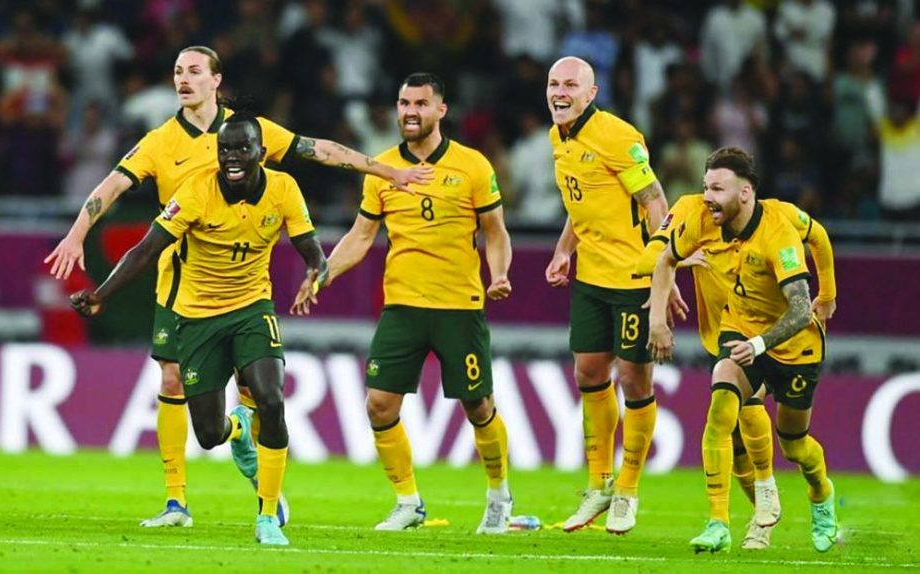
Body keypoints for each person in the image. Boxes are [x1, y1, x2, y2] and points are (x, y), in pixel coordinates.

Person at [44, 46, 432, 528]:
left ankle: (263, 491)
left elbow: (321, 150)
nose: (183, 80)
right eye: (177, 72)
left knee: (258, 391)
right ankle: (176, 503)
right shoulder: (160, 142)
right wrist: (77, 233)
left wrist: (387, 170)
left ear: (216, 80)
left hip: (246, 287)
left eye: (193, 71)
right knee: (169, 379)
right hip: (181, 284)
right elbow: (111, 187)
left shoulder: (251, 131)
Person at [71, 112, 324, 545]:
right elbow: (147, 249)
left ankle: (266, 516)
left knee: (271, 397)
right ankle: (238, 429)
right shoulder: (196, 191)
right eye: (224, 149)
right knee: (208, 436)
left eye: (241, 149)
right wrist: (101, 294)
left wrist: (317, 270)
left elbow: (309, 246)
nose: (231, 158)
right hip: (197, 316)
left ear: (261, 153)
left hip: (251, 309)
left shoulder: (284, 188)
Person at [300, 72, 514, 534]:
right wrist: (323, 273)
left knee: (478, 406)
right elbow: (361, 236)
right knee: (379, 405)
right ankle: (408, 502)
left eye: (420, 103)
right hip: (402, 305)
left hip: (459, 305)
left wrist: (499, 275)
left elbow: (495, 232)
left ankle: (499, 496)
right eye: (403, 103)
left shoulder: (472, 166)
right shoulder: (381, 170)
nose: (410, 111)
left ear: (441, 110)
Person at [647, 147, 838, 553]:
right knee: (722, 404)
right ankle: (718, 522)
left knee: (795, 443)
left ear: (746, 193)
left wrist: (828, 294)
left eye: (718, 188)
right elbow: (663, 259)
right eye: (705, 187)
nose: (708, 196)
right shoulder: (698, 216)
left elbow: (801, 308)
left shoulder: (779, 228)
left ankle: (821, 493)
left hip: (793, 345)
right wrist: (657, 321)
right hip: (737, 328)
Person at [543, 56, 680, 534]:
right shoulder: (557, 138)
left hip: (634, 280)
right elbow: (581, 206)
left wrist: (666, 270)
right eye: (553, 84)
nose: (560, 92)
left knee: (635, 382)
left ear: (592, 93)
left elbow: (656, 202)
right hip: (591, 280)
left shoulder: (620, 137)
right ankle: (599, 484)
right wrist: (564, 251)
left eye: (571, 85)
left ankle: (627, 489)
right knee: (588, 372)